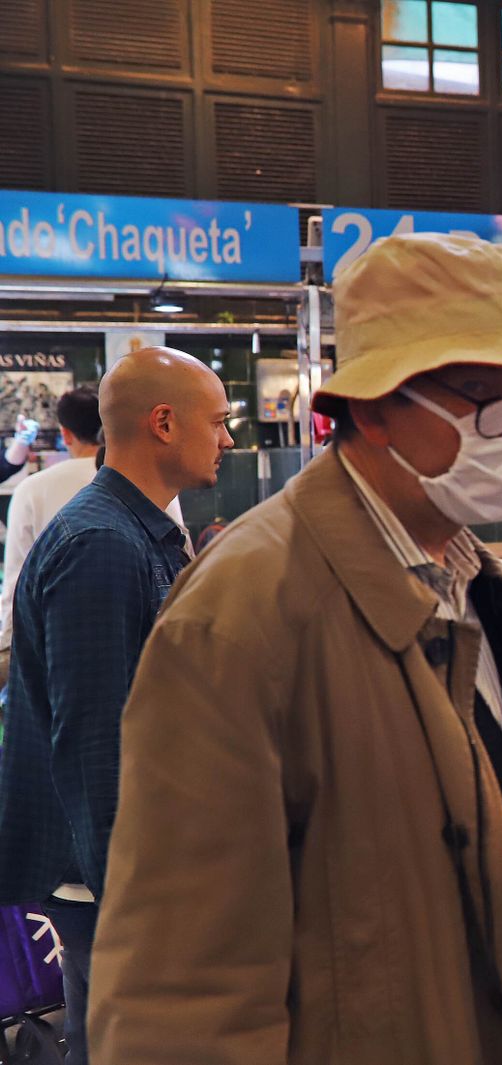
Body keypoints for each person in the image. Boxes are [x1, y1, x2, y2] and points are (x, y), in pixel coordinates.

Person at [89, 233, 502, 1065]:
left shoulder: (471, 579)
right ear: (371, 407)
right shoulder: (238, 620)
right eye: (484, 396)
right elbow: (182, 1003)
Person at [0, 348, 232, 1064]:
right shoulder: (102, 543)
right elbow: (94, 739)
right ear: (164, 423)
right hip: (107, 879)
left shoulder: (140, 529)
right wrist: (126, 894)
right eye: (219, 422)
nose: (227, 439)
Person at [0, 388, 187, 684]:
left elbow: (16, 581)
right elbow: (179, 565)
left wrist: (10, 648)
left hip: (52, 646)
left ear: (65, 433)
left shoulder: (33, 489)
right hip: (143, 648)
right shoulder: (150, 483)